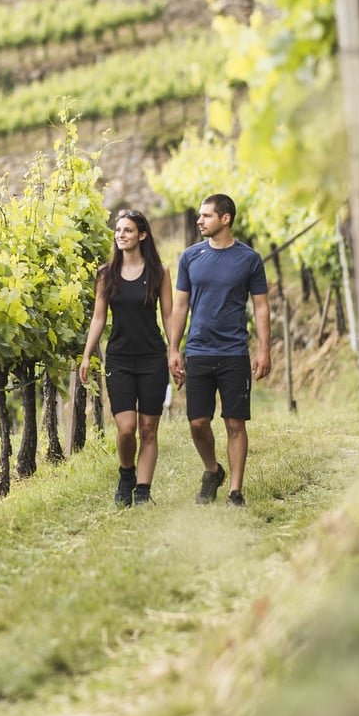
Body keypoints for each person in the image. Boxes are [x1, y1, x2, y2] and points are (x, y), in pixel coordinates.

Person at [167, 193, 271, 507]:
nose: (199, 220)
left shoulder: (250, 259)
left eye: (206, 216)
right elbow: (180, 305)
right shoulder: (190, 257)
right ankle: (213, 470)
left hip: (234, 353)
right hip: (197, 351)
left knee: (235, 423)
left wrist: (264, 349)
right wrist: (173, 349)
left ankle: (235, 492)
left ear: (225, 219)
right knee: (197, 423)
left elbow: (261, 307)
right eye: (200, 215)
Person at [79, 209, 175, 507]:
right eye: (118, 230)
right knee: (126, 428)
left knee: (148, 429)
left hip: (152, 359)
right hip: (119, 358)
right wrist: (86, 357)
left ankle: (143, 492)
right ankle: (126, 473)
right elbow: (98, 318)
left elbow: (169, 315)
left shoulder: (159, 272)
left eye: (128, 230)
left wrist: (174, 351)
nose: (121, 235)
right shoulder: (106, 274)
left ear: (142, 235)